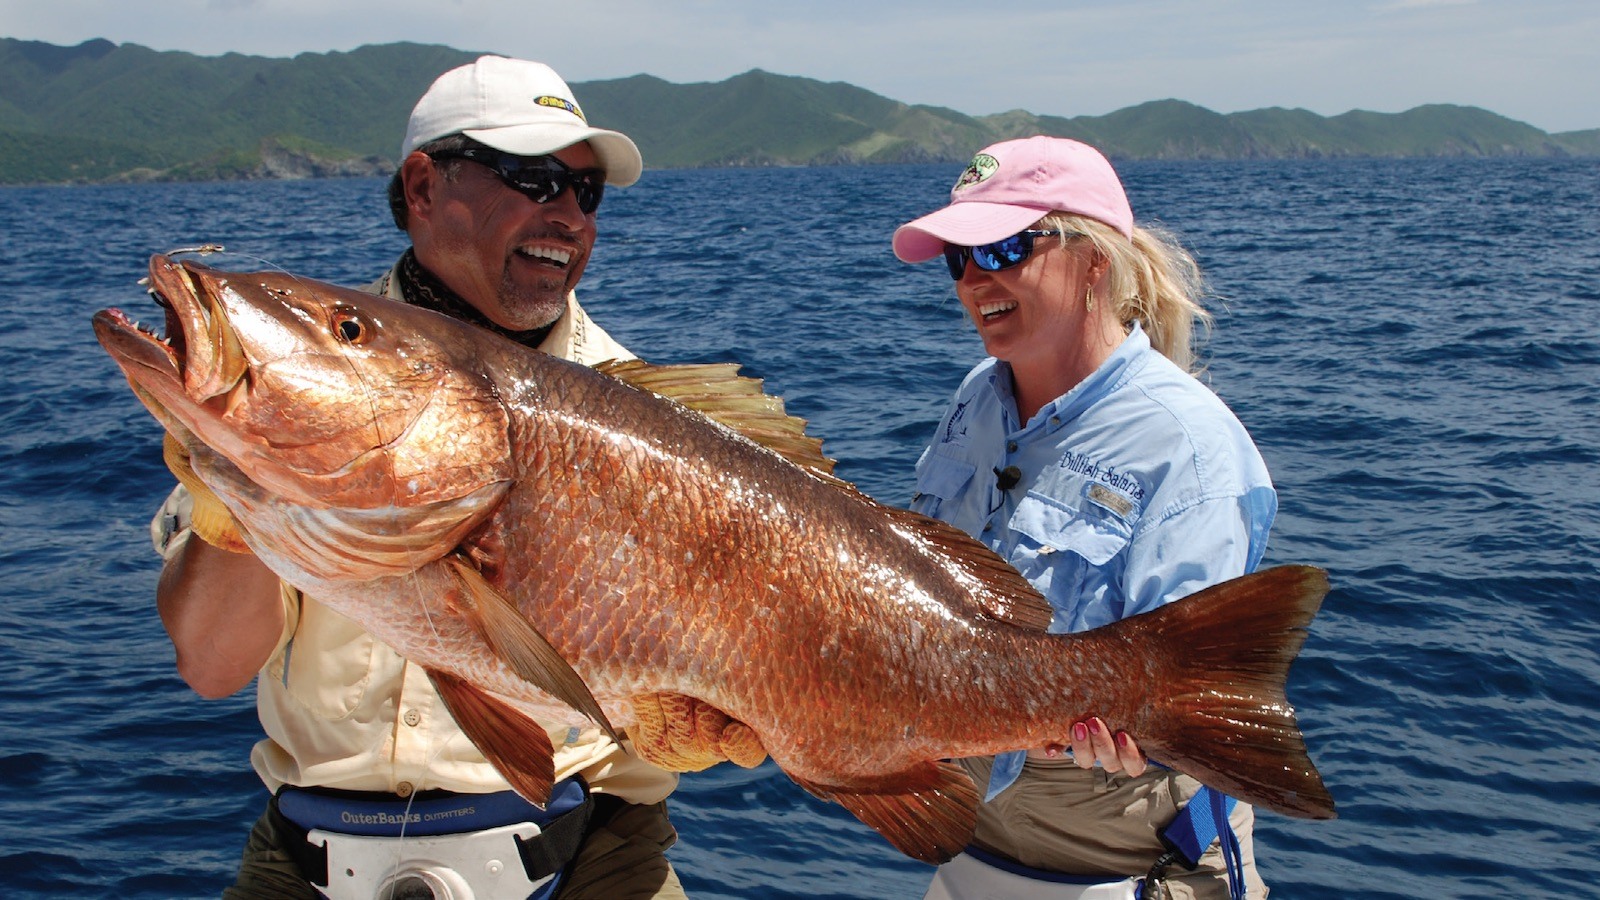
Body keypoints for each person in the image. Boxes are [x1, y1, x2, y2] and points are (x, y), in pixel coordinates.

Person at [151, 56, 697, 900]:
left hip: (587, 857)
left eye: (585, 193)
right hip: (309, 862)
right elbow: (213, 665)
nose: (566, 215)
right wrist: (237, 491)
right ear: (421, 186)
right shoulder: (302, 369)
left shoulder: (663, 432)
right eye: (534, 178)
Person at [892, 136, 1278, 900]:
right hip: (971, 837)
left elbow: (1197, 700)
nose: (975, 280)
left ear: (1095, 258)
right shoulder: (977, 397)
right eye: (958, 259)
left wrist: (1153, 730)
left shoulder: (1190, 446)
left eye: (1004, 248)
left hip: (1118, 862)